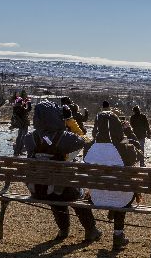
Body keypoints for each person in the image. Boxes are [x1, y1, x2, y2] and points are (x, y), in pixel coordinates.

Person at [23, 101, 101, 242]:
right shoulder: (64, 138)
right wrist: (70, 121)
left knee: (57, 190)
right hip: (60, 191)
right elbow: (87, 141)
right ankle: (91, 230)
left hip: (38, 190)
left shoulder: (30, 138)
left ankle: (63, 230)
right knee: (76, 194)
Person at [84, 110, 142, 251]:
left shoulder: (89, 147)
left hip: (96, 196)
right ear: (117, 126)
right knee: (121, 190)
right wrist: (129, 132)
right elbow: (140, 154)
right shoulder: (123, 147)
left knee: (114, 187)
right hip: (121, 197)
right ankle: (118, 235)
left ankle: (111, 214)